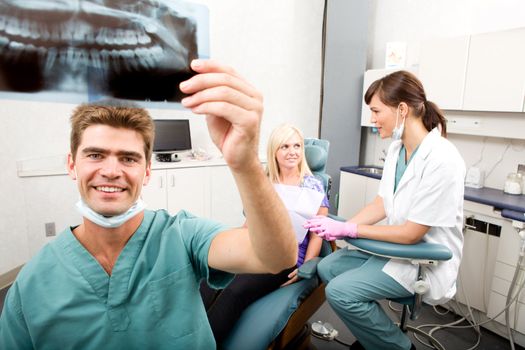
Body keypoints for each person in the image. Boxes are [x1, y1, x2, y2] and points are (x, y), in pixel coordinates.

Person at [0, 60, 297, 349]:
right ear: (71, 165)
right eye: (95, 155)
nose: (112, 171)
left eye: (128, 158)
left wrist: (244, 162)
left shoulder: (181, 236)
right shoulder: (33, 284)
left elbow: (276, 256)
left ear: (147, 171)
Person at [304, 70, 465, 350]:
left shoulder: (443, 159)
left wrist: (349, 228)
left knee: (340, 293)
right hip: (396, 251)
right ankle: (377, 338)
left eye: (376, 111)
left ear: (402, 109)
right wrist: (336, 228)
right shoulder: (396, 150)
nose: (372, 119)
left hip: (420, 260)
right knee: (329, 267)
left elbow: (412, 234)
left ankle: (400, 347)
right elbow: (382, 204)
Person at [200, 123, 329, 345]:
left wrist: (306, 265)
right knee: (208, 280)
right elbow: (250, 223)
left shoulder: (313, 185)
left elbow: (318, 233)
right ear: (274, 152)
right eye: (285, 146)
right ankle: (189, 333)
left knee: (234, 292)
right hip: (256, 247)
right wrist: (231, 249)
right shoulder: (267, 181)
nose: (292, 152)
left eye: (297, 145)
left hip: (285, 257)